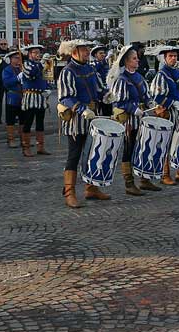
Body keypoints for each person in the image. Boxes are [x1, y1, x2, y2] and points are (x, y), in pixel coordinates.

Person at [57, 39, 103, 207]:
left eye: (87, 49)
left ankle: (91, 188)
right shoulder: (68, 71)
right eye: (83, 50)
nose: (87, 52)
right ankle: (69, 193)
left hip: (92, 118)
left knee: (92, 154)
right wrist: (82, 109)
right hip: (76, 121)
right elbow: (65, 97)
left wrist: (106, 95)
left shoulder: (90, 68)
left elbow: (99, 88)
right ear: (74, 52)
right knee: (74, 156)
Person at [110, 43, 153, 195]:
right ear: (126, 61)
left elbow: (146, 95)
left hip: (142, 118)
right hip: (129, 120)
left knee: (142, 148)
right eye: (134, 59)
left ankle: (144, 179)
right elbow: (119, 102)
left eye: (137, 58)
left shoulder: (139, 76)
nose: (137, 61)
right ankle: (129, 183)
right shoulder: (122, 80)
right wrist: (133, 109)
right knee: (129, 150)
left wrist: (150, 103)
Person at [148, 45, 179, 184]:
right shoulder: (161, 75)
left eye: (175, 56)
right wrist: (173, 103)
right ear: (164, 58)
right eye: (170, 56)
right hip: (169, 113)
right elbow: (157, 96)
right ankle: (165, 174)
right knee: (166, 143)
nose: (173, 58)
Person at [19, 44, 51, 157]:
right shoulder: (26, 64)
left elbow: (46, 77)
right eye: (35, 52)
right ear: (29, 54)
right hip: (30, 96)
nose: (37, 54)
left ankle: (40, 147)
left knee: (40, 123)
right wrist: (41, 64)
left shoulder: (40, 64)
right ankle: (26, 147)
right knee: (28, 122)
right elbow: (30, 74)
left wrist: (47, 89)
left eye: (39, 52)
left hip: (40, 96)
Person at [0, 49, 23, 147]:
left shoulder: (22, 68)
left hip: (23, 96)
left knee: (24, 119)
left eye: (19, 58)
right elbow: (6, 83)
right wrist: (17, 78)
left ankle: (24, 139)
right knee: (11, 120)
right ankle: (11, 139)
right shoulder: (7, 69)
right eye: (16, 58)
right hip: (12, 96)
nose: (18, 60)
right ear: (11, 59)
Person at [90, 45, 111, 115]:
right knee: (98, 114)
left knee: (109, 113)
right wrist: (103, 62)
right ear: (95, 55)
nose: (103, 55)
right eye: (100, 53)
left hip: (107, 92)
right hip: (98, 94)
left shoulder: (106, 64)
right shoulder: (92, 64)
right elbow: (94, 70)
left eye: (104, 53)